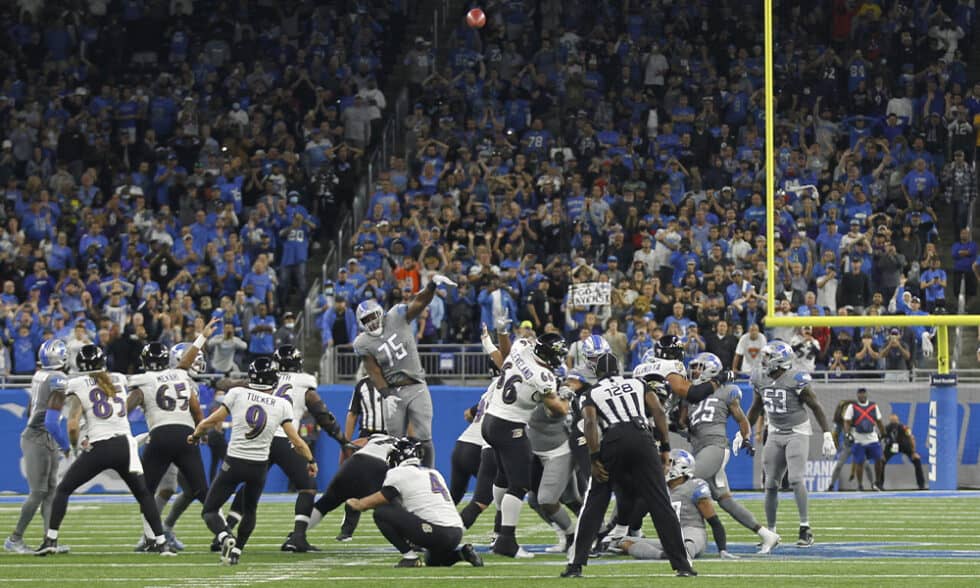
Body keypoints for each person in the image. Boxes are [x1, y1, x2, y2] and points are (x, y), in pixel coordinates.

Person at [562, 353, 697, 578]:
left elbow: (591, 422)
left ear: (597, 372)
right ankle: (683, 565)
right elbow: (659, 411)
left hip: (612, 440)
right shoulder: (637, 383)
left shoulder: (591, 392)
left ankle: (576, 564)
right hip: (642, 438)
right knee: (660, 502)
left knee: (595, 502)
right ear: (619, 368)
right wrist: (664, 447)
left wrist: (594, 458)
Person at [36, 345, 175, 556]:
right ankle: (161, 543)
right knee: (144, 494)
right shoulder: (118, 378)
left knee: (63, 489)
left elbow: (72, 424)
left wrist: (75, 447)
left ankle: (50, 540)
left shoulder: (76, 383)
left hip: (100, 445)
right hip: (125, 446)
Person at [225, 345, 352, 553]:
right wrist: (342, 440)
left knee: (250, 485)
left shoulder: (264, 378)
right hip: (286, 438)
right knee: (308, 486)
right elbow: (322, 414)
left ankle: (226, 530)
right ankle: (298, 537)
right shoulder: (304, 382)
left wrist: (222, 383)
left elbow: (236, 386)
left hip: (261, 438)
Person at [189, 357, 315, 565]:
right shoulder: (282, 404)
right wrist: (310, 460)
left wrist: (195, 434)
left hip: (234, 462)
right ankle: (237, 550)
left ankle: (225, 536)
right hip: (258, 467)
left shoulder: (238, 394)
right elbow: (296, 441)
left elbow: (213, 420)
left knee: (210, 510)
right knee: (250, 510)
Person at [354, 273, 458, 466]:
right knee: (394, 441)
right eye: (366, 319)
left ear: (380, 313)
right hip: (393, 391)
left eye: (373, 316)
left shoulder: (395, 316)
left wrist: (432, 286)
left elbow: (419, 303)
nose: (372, 322)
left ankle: (429, 476)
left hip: (416, 385)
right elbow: (373, 371)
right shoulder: (363, 342)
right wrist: (386, 394)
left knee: (424, 436)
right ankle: (394, 480)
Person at [682, 353, 780, 553]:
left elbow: (742, 419)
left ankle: (686, 535)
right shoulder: (692, 395)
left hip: (715, 447)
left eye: (699, 367)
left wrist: (745, 438)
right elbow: (683, 425)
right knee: (725, 500)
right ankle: (766, 535)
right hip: (700, 449)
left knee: (682, 482)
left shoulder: (726, 391)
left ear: (710, 370)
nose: (695, 371)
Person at [481, 332, 568, 558]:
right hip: (510, 425)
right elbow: (557, 409)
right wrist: (566, 398)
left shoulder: (521, 347)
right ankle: (506, 542)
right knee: (519, 485)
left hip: (490, 419)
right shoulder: (544, 375)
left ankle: (498, 532)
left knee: (503, 478)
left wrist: (501, 334)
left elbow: (505, 352)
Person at [746, 341, 835, 548]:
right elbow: (756, 407)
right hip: (775, 431)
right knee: (770, 484)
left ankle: (805, 528)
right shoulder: (760, 377)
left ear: (779, 360)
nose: (764, 360)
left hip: (797, 431)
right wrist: (744, 432)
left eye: (768, 357)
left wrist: (827, 434)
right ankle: (771, 533)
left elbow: (816, 406)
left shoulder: (796, 378)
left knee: (795, 479)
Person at [346, 438, 483, 569]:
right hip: (456, 533)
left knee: (381, 512)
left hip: (437, 532)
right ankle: (462, 554)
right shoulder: (433, 472)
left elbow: (383, 498)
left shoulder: (398, 473)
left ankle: (409, 557)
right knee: (431, 560)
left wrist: (359, 504)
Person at [127, 339, 210, 552]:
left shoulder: (185, 379)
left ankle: (164, 529)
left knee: (191, 489)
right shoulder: (178, 377)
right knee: (169, 487)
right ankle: (152, 534)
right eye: (195, 359)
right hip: (178, 439)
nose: (198, 364)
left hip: (183, 439)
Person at [5, 340, 71, 554]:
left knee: (51, 491)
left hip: (42, 435)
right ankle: (15, 538)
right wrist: (66, 445)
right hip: (39, 436)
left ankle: (49, 540)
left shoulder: (40, 374)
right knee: (39, 491)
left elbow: (28, 409)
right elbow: (51, 421)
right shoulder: (57, 378)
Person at [617, 450, 733, 561]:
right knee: (624, 542)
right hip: (671, 536)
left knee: (687, 546)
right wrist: (644, 496)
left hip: (692, 533)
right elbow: (635, 518)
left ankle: (678, 554)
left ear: (680, 467)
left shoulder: (694, 486)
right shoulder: (659, 489)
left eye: (666, 463)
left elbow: (714, 521)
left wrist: (722, 550)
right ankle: (662, 556)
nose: (662, 467)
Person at [306, 433, 399, 541]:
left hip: (355, 461)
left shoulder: (377, 436)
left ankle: (298, 533)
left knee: (325, 503)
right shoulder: (405, 445)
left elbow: (349, 445)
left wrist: (343, 466)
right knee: (388, 506)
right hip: (377, 466)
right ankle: (409, 541)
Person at [842, 387, 885, 491]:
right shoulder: (852, 407)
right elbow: (847, 421)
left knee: (879, 459)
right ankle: (860, 485)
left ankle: (877, 482)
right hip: (858, 438)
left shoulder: (873, 406)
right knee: (859, 462)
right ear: (857, 395)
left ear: (866, 395)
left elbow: (879, 421)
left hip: (872, 437)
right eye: (860, 394)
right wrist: (847, 433)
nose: (862, 395)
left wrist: (883, 433)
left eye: (863, 393)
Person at [877, 413, 926, 490]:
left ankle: (921, 484)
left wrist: (913, 452)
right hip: (891, 447)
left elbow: (911, 438)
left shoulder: (904, 428)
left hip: (904, 446)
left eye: (895, 421)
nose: (894, 423)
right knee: (881, 462)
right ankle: (879, 484)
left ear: (898, 421)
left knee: (917, 460)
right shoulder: (885, 429)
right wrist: (881, 453)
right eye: (892, 421)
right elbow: (878, 441)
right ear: (890, 421)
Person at [826, 399, 855, 491]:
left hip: (859, 446)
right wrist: (836, 447)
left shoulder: (858, 417)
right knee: (839, 465)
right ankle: (831, 485)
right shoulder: (840, 421)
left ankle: (869, 484)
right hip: (847, 446)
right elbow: (835, 434)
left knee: (864, 465)